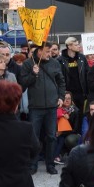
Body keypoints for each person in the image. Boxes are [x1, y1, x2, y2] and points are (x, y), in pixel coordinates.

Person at [19, 43, 66, 175]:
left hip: (52, 106)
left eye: (50, 52)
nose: (49, 54)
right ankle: (32, 164)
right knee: (34, 136)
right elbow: (22, 84)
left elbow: (61, 81)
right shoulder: (28, 64)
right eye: (47, 52)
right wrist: (33, 74)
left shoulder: (55, 63)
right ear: (39, 51)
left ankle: (50, 164)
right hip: (35, 107)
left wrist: (61, 97)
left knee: (51, 136)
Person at [61, 36, 89, 129]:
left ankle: (79, 136)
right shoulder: (60, 60)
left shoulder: (82, 58)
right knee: (68, 117)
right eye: (76, 45)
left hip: (81, 93)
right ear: (69, 46)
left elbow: (86, 74)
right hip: (68, 94)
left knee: (81, 116)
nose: (78, 46)